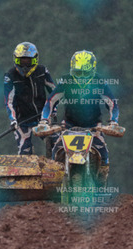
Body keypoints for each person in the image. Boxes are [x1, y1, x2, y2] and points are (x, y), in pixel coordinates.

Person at [38, 50, 121, 185]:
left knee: (103, 153)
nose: (82, 76)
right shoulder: (66, 81)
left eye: (85, 73)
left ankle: (101, 185)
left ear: (93, 70)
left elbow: (112, 103)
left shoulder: (99, 82)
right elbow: (51, 101)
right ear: (72, 70)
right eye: (78, 72)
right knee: (56, 151)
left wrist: (114, 122)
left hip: (93, 127)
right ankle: (54, 185)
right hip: (69, 126)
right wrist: (44, 120)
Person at [4, 41, 57, 156]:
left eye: (28, 61)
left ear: (35, 60)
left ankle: (58, 165)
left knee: (56, 144)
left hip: (42, 118)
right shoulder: (10, 75)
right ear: (16, 60)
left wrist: (53, 110)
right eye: (21, 61)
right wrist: (13, 120)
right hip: (21, 120)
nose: (25, 66)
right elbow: (9, 102)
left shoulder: (42, 71)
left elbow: (54, 93)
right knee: (25, 152)